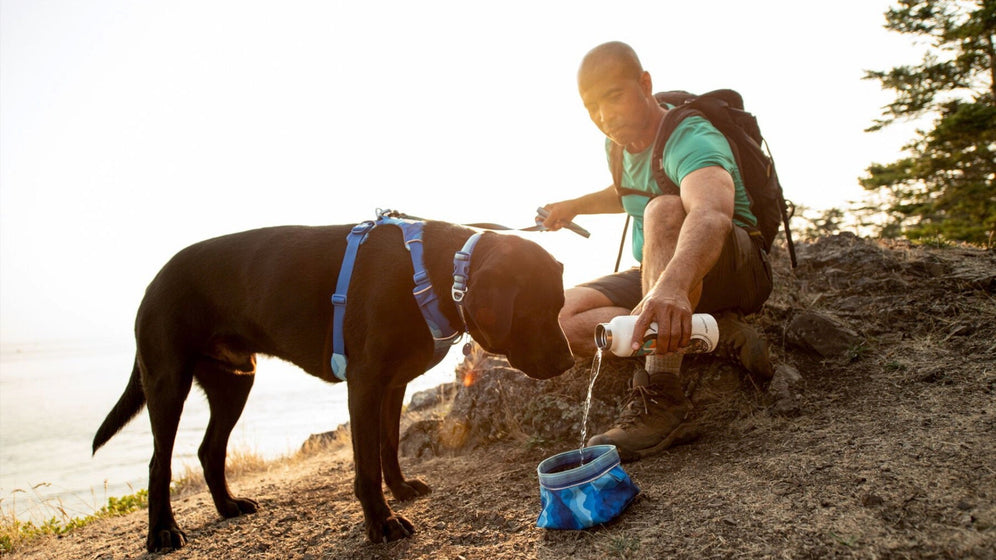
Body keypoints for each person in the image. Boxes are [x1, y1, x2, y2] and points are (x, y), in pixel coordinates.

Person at [540, 41, 774, 461]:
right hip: (663, 269)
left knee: (665, 208)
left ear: (645, 83)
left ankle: (663, 394)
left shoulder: (690, 136)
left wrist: (670, 288)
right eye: (592, 106)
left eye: (614, 96)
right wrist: (573, 207)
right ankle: (716, 333)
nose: (604, 115)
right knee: (559, 315)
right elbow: (625, 191)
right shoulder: (618, 145)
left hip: (733, 267)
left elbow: (711, 212)